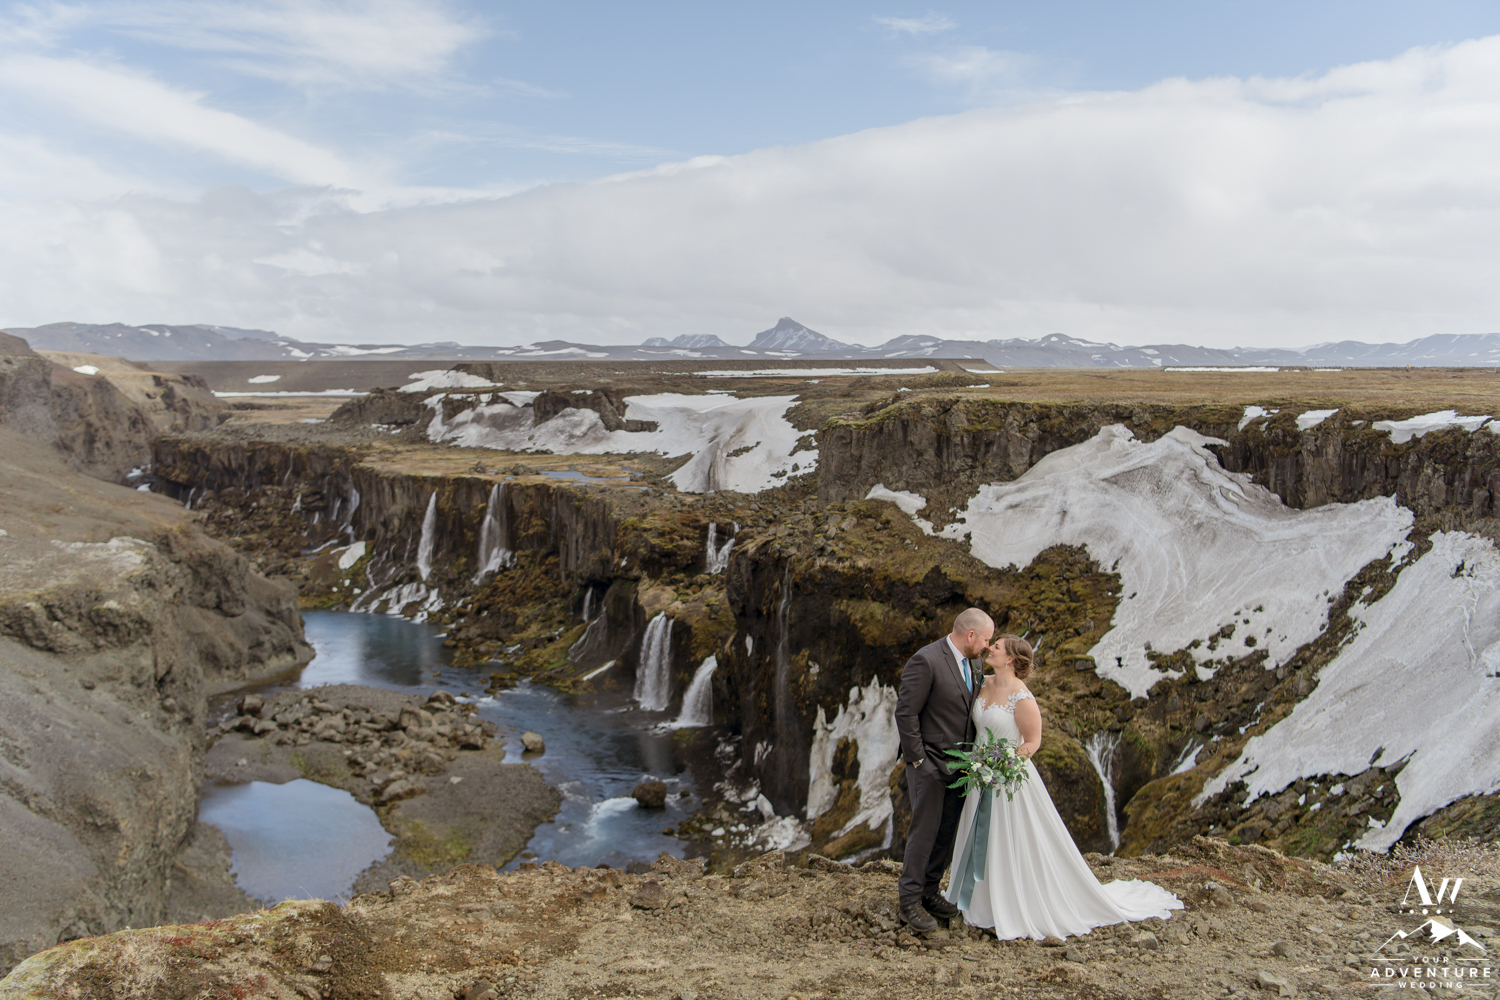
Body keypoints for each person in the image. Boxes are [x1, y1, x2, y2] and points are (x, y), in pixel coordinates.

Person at [944, 633, 1183, 938]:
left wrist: (1006, 764)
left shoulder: (1022, 697)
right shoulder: (982, 683)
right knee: (979, 837)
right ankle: (977, 902)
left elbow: (1032, 741)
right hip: (979, 776)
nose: (990, 649)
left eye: (997, 647)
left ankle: (1012, 903)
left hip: (1007, 779)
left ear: (1012, 660)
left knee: (1009, 839)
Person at [893, 607, 994, 932]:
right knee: (924, 832)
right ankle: (909, 901)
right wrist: (918, 760)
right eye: (986, 639)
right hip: (929, 764)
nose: (988, 646)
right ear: (970, 635)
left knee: (945, 832)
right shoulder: (926, 660)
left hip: (962, 767)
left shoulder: (976, 663)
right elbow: (906, 713)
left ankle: (928, 891)